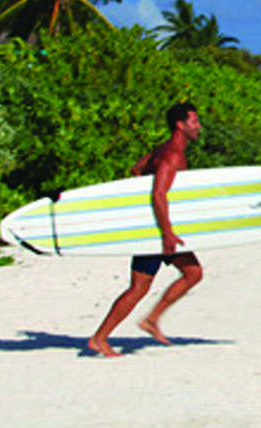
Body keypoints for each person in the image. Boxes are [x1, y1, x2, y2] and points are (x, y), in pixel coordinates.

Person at [87, 102, 205, 358]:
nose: (198, 127)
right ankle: (100, 338)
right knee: (141, 288)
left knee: (192, 273)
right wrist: (166, 234)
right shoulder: (173, 154)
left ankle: (149, 320)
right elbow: (158, 193)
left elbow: (137, 170)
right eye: (194, 122)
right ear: (180, 125)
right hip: (158, 233)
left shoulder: (164, 150)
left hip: (157, 228)